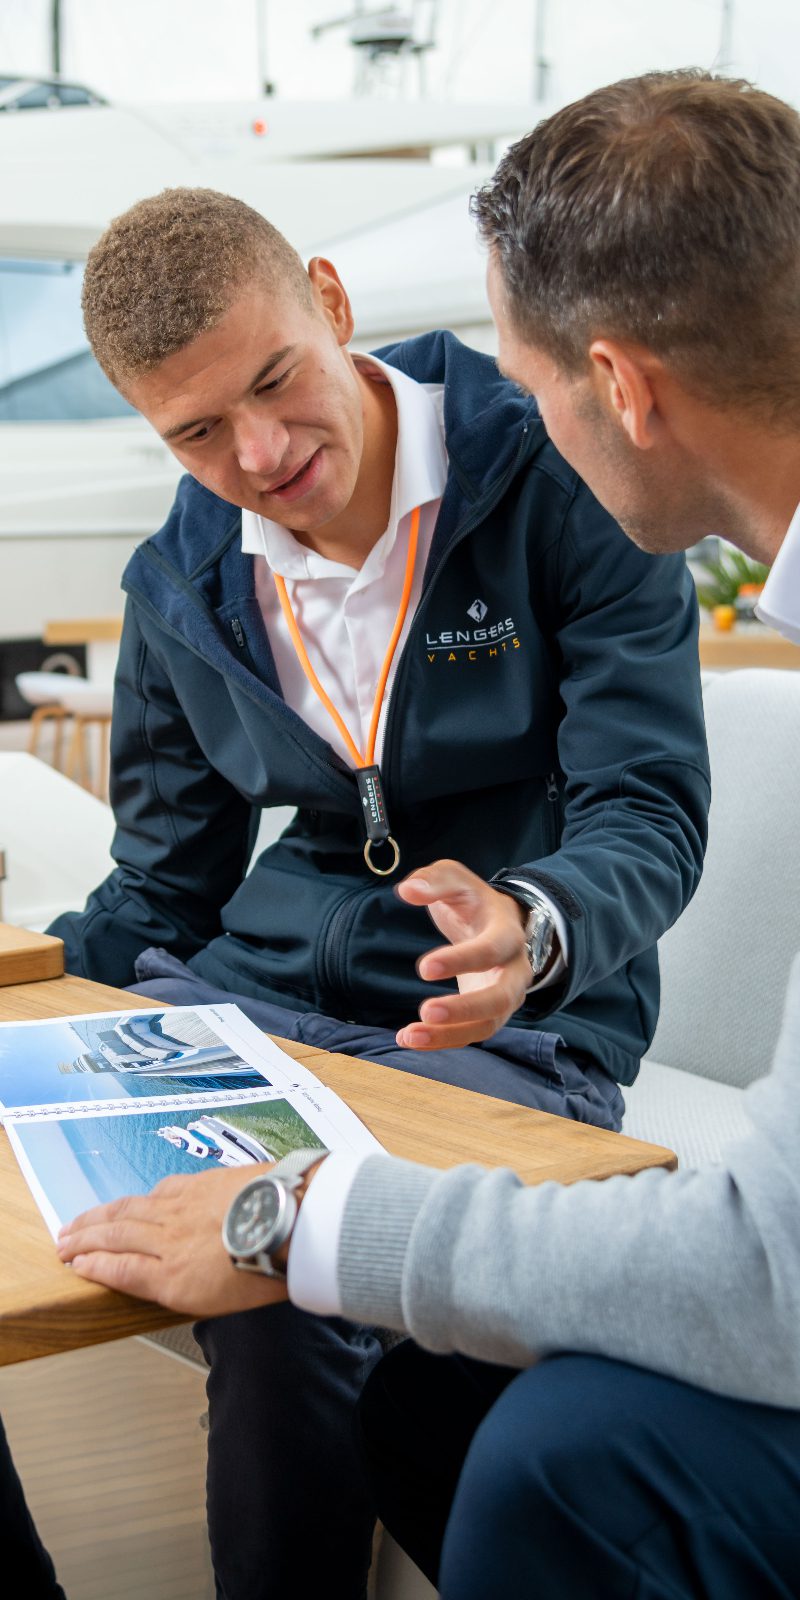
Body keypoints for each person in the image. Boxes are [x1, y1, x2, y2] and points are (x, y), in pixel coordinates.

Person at [50, 182, 711, 1598]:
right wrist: (39, 984)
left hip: (499, 1030)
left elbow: (646, 814)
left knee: (284, 1264)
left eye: (276, 382)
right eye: (198, 433)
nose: (262, 451)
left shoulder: (563, 469)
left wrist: (533, 929)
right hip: (250, 1011)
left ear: (333, 305)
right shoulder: (178, 578)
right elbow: (163, 884)